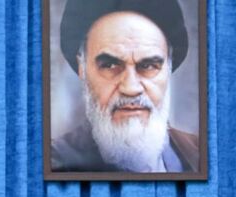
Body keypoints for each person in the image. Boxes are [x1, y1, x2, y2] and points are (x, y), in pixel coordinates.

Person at [51, 0, 200, 173]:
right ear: (82, 68)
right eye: (110, 65)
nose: (131, 88)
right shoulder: (52, 164)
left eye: (148, 66)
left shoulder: (201, 154)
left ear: (168, 68)